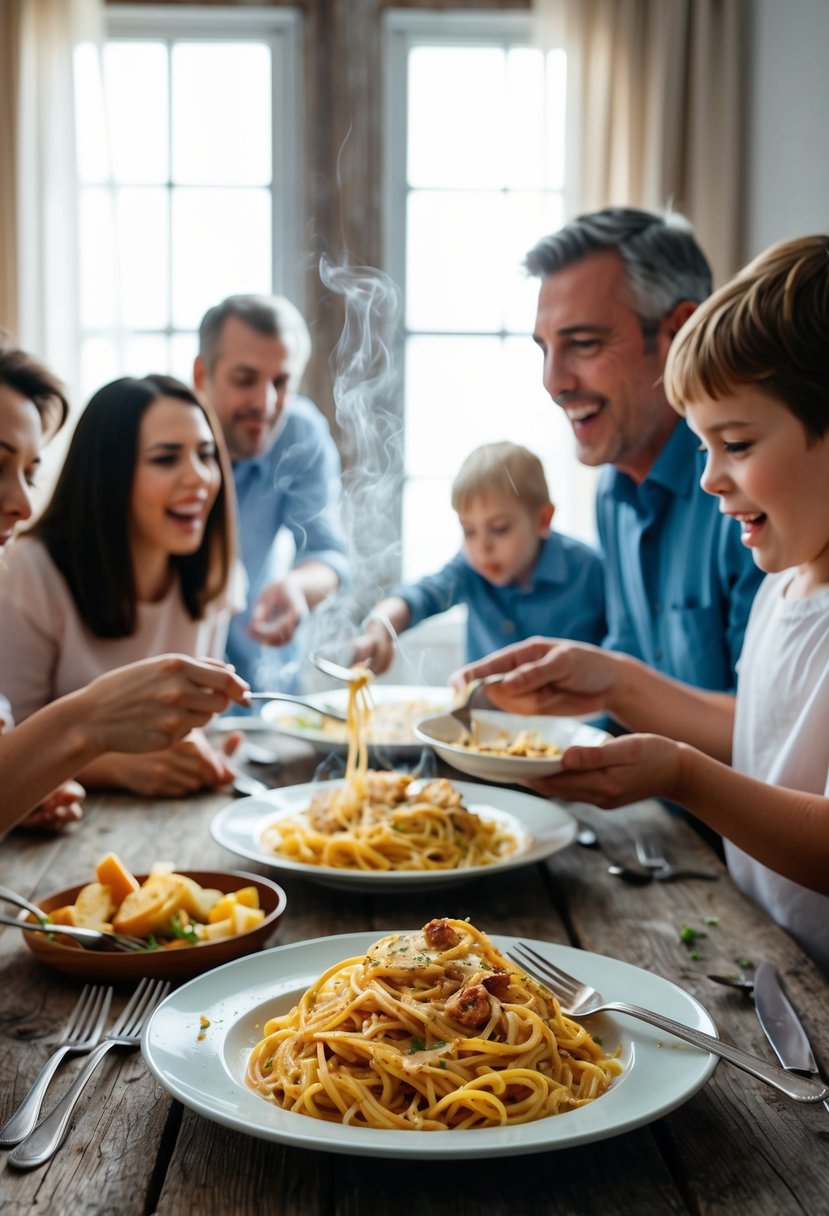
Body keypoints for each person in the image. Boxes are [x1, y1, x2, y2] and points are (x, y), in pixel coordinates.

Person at [454, 235, 829, 974]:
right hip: (773, 951)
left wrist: (681, 774)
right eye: (702, 449)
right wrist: (611, 679)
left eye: (738, 443)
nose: (711, 479)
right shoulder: (785, 580)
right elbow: (767, 736)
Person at [0, 343, 249, 833]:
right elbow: (21, 747)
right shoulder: (28, 571)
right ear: (110, 475)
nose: (199, 477)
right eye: (165, 458)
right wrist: (109, 757)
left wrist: (201, 752)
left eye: (205, 455)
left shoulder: (215, 575)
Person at [524, 206, 764, 693]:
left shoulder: (751, 495)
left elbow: (768, 731)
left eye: (585, 343)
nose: (553, 382)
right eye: (545, 350)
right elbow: (629, 682)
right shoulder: (613, 493)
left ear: (680, 332)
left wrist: (610, 687)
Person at [193, 294, 348, 691]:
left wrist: (297, 587)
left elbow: (327, 553)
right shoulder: (158, 435)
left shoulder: (300, 434)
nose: (265, 403)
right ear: (201, 375)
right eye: (244, 380)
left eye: (281, 382)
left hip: (260, 680)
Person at [353, 441, 605, 674]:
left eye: (499, 528)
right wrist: (380, 626)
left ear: (542, 520)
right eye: (469, 531)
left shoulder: (588, 570)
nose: (482, 546)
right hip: (486, 717)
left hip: (572, 718)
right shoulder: (470, 568)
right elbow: (422, 595)